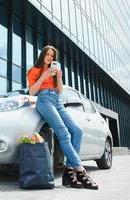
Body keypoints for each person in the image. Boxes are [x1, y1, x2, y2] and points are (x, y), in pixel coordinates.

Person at [27, 45, 98, 190]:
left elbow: (59, 91)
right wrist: (44, 76)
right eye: (47, 54)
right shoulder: (34, 70)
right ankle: (80, 171)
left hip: (57, 100)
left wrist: (58, 77)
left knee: (77, 131)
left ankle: (68, 172)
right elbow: (32, 91)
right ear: (42, 55)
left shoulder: (54, 71)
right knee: (64, 133)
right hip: (44, 100)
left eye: (52, 56)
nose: (49, 57)